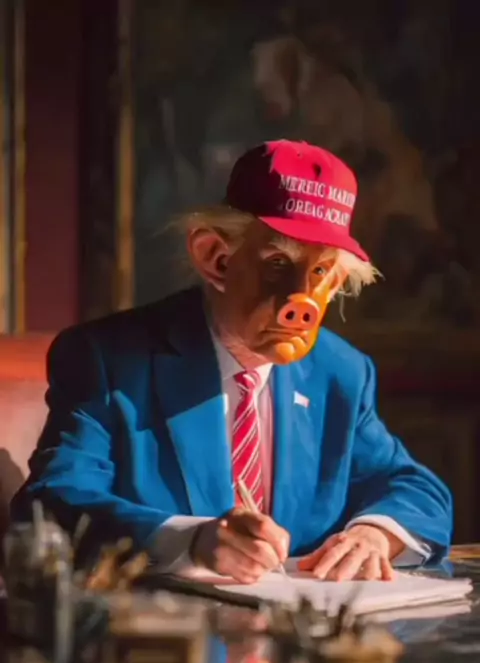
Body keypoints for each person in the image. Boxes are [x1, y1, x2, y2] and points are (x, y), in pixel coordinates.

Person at [11, 140, 452, 584]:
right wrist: (191, 541)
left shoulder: (339, 372)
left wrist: (374, 534)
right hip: (160, 623)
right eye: (278, 262)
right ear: (217, 259)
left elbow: (416, 489)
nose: (301, 299)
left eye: (319, 272)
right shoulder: (107, 359)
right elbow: (52, 504)